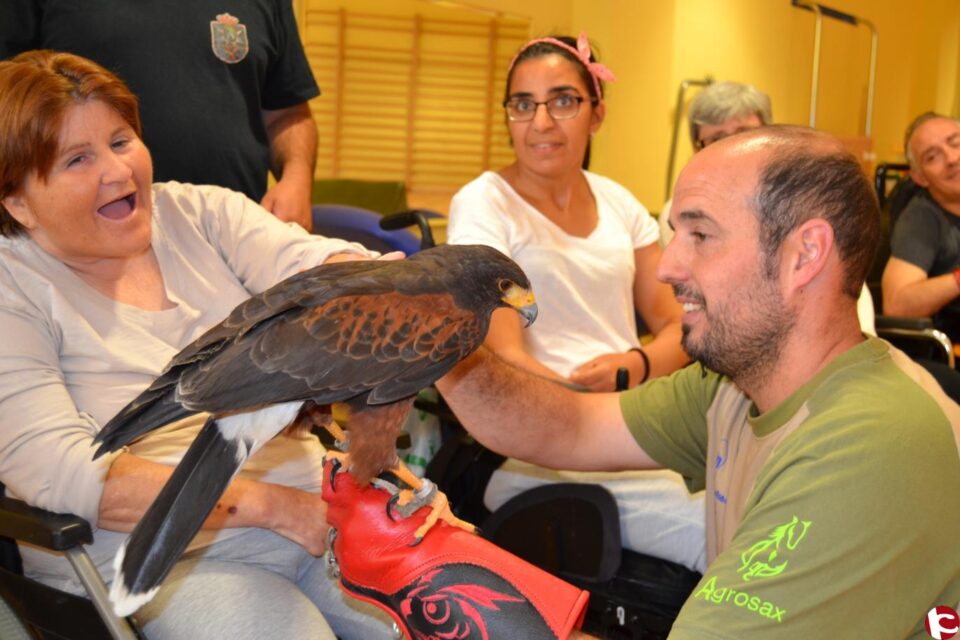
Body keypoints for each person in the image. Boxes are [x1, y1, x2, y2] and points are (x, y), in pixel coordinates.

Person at [430, 125, 960, 638]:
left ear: (804, 255)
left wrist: (446, 603)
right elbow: (567, 425)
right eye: (675, 235)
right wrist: (430, 339)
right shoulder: (737, 384)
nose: (667, 267)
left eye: (701, 235)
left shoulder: (869, 445)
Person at [0, 51, 393, 639]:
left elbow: (320, 268)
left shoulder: (200, 214)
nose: (118, 170)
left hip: (316, 518)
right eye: (78, 159)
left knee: (481, 621)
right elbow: (63, 472)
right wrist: (270, 507)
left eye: (121, 141)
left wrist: (376, 289)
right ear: (18, 202)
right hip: (162, 562)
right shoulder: (13, 287)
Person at [446, 33, 702, 572]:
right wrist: (592, 410)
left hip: (633, 424)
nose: (541, 122)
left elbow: (678, 323)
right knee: (715, 534)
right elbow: (504, 357)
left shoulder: (619, 203)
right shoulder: (485, 204)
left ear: (597, 113)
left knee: (757, 506)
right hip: (539, 445)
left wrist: (634, 367)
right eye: (523, 104)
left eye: (562, 101)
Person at [0, 0, 319, 230]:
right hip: (88, 248)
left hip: (231, 241)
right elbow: (8, 104)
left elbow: (287, 112)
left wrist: (297, 178)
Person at [661, 80, 876, 335]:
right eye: (717, 139)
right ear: (697, 148)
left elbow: (844, 290)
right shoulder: (682, 214)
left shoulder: (806, 203)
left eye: (744, 135)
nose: (732, 148)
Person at [882, 112, 960, 344]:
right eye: (932, 157)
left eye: (956, 143)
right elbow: (897, 304)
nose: (952, 158)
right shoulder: (920, 218)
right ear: (919, 177)